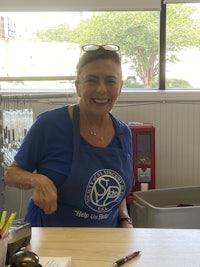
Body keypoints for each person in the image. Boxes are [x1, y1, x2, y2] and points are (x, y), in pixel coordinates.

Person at [4, 44, 135, 228]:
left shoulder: (124, 134)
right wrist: (37, 180)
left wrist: (124, 219)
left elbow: (117, 186)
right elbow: (11, 174)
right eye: (92, 80)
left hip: (106, 241)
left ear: (120, 87)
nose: (101, 89)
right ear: (78, 87)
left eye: (110, 81)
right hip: (51, 240)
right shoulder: (50, 124)